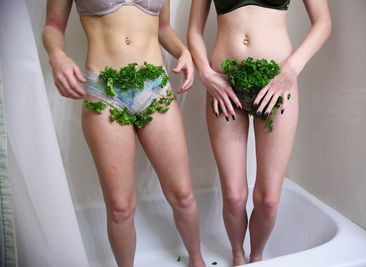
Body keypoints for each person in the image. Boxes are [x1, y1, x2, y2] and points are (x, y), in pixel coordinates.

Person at [42, 1, 206, 266]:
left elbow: (163, 27)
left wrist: (183, 51)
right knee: (120, 208)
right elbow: (52, 26)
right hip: (105, 91)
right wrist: (57, 55)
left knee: (183, 195)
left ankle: (197, 259)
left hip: (155, 87)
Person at [188, 0, 331, 265]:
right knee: (233, 196)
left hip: (277, 85)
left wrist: (292, 68)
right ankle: (237, 255)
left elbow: (323, 22)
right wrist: (205, 73)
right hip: (224, 87)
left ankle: (257, 257)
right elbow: (194, 30)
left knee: (268, 200)